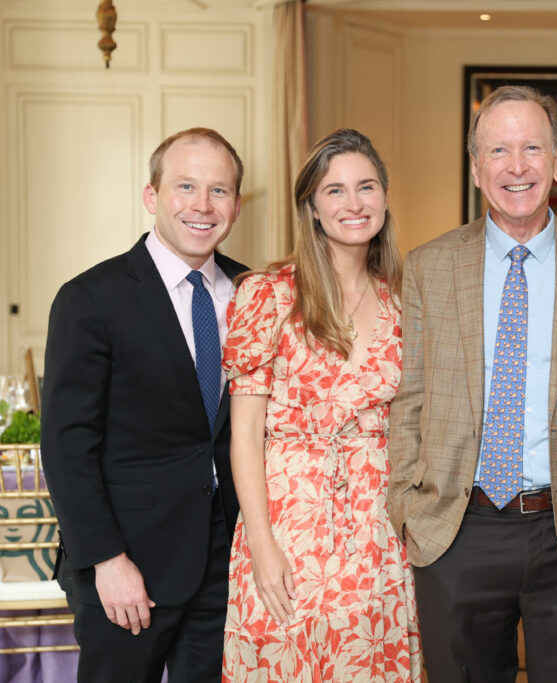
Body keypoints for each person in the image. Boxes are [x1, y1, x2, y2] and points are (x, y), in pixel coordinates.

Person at [387, 84, 557, 682]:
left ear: (556, 162)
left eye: (532, 147)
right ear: (476, 166)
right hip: (456, 529)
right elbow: (411, 398)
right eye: (498, 150)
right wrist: (407, 507)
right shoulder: (429, 266)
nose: (516, 166)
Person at [41, 128, 247, 682]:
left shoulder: (256, 293)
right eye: (185, 186)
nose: (202, 206)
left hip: (229, 561)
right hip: (128, 565)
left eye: (219, 191)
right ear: (152, 196)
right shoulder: (91, 298)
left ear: (237, 204)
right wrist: (106, 561)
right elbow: (66, 445)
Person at [220, 129, 421, 681]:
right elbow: (245, 434)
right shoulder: (266, 295)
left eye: (366, 186)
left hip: (379, 528)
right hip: (287, 522)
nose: (353, 203)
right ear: (311, 206)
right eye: (334, 190)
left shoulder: (408, 300)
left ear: (384, 197)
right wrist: (262, 546)